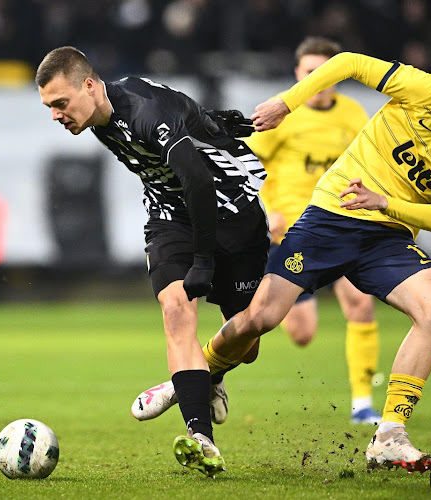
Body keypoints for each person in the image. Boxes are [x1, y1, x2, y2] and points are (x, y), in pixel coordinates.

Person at [137, 44, 431, 473]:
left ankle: (389, 436)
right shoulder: (428, 91)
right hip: (330, 217)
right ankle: (198, 375)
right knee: (259, 320)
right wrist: (287, 104)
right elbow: (349, 62)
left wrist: (382, 204)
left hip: (388, 234)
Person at [35, 46, 270, 478]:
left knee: (250, 340)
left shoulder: (141, 111)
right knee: (176, 309)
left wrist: (204, 260)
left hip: (232, 214)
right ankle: (202, 440)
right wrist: (211, 120)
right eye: (50, 107)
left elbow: (198, 178)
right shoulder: (100, 113)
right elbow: (178, 111)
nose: (56, 115)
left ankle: (203, 376)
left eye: (60, 103)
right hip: (171, 218)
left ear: (89, 85)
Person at [248, 36, 382, 425]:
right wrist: (267, 210)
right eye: (311, 74)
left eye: (327, 73)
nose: (320, 82)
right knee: (301, 333)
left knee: (360, 305)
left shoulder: (354, 114)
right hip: (294, 233)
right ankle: (219, 360)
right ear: (297, 74)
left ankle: (362, 405)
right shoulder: (280, 114)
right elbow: (247, 167)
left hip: (343, 225)